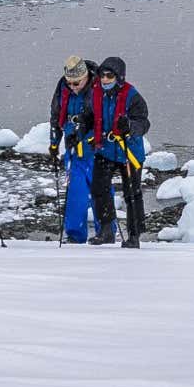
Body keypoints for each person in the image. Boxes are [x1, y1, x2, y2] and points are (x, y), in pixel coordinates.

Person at [88, 56, 150, 248]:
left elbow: (144, 123)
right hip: (105, 149)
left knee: (132, 193)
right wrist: (82, 128)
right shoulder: (96, 93)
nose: (104, 80)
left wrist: (130, 126)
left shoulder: (133, 96)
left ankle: (134, 235)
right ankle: (106, 230)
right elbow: (91, 117)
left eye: (109, 76)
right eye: (102, 76)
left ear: (119, 77)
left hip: (128, 151)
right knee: (99, 189)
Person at [52, 56, 100, 243]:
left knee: (101, 191)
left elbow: (101, 120)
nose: (73, 86)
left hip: (96, 148)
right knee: (75, 191)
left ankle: (106, 231)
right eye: (69, 82)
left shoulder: (97, 89)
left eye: (76, 83)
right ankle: (75, 235)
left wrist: (86, 140)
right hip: (72, 147)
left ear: (86, 76)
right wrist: (54, 142)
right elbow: (56, 114)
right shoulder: (63, 86)